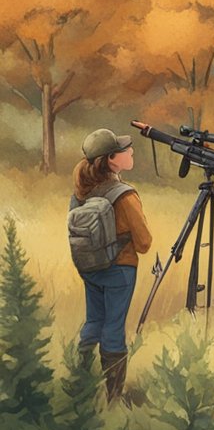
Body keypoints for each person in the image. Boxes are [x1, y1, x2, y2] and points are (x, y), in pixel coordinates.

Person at [68, 128, 152, 400]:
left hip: (90, 268)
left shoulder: (80, 193)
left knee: (94, 320)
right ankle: (113, 396)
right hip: (120, 269)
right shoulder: (125, 195)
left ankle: (81, 381)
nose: (131, 152)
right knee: (114, 327)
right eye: (125, 150)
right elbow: (144, 243)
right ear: (111, 160)